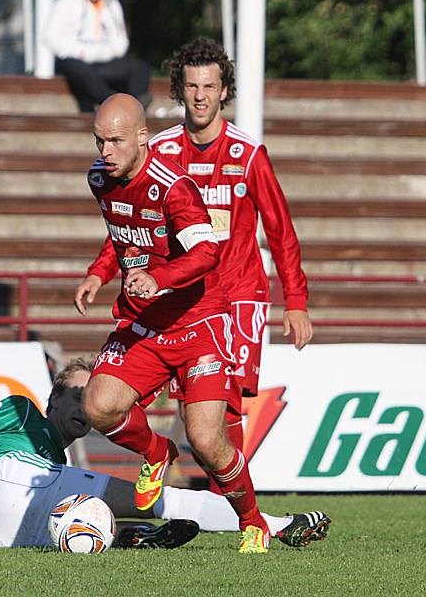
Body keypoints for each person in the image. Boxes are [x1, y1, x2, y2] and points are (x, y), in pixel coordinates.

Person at [80, 38, 313, 478]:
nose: (201, 95)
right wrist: (102, 270)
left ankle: (225, 509)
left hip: (239, 294)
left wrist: (296, 300)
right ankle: (197, 490)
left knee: (222, 410)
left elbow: (281, 231)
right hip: (178, 295)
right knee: (186, 410)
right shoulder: (160, 150)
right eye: (191, 86)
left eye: (210, 85)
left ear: (225, 91)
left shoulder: (248, 155)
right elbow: (129, 226)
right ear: (180, 91)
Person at [72, 93, 295, 553]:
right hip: (145, 322)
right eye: (99, 141)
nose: (104, 152)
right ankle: (156, 453)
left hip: (199, 322)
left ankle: (253, 521)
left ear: (142, 138)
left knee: (207, 440)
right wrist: (99, 273)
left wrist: (159, 276)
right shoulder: (100, 179)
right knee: (98, 405)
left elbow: (206, 253)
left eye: (114, 141)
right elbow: (123, 232)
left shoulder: (174, 189)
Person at [0, 357, 331, 549]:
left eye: (90, 398)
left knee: (81, 529)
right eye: (76, 396)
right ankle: (275, 524)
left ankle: (135, 537)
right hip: (13, 475)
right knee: (158, 498)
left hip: (0, 535)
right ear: (52, 400)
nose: (85, 406)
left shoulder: (55, 460)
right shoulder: (21, 412)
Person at [42, 0, 151, 113]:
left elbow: (121, 39)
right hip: (74, 59)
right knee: (85, 73)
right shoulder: (65, 3)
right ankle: (113, 107)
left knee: (140, 68)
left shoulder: (111, 4)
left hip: (105, 60)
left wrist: (106, 52)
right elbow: (50, 37)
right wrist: (80, 52)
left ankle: (133, 108)